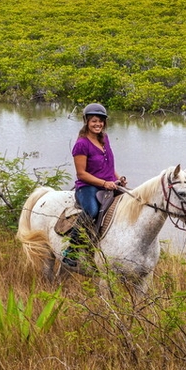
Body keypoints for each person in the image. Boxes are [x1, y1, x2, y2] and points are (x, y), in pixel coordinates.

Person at [64, 102, 126, 266]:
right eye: (94, 121)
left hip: (109, 184)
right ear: (86, 121)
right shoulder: (81, 144)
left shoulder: (104, 138)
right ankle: (72, 250)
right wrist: (105, 183)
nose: (98, 124)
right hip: (88, 187)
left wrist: (118, 178)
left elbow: (108, 166)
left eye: (100, 121)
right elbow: (81, 173)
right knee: (91, 211)